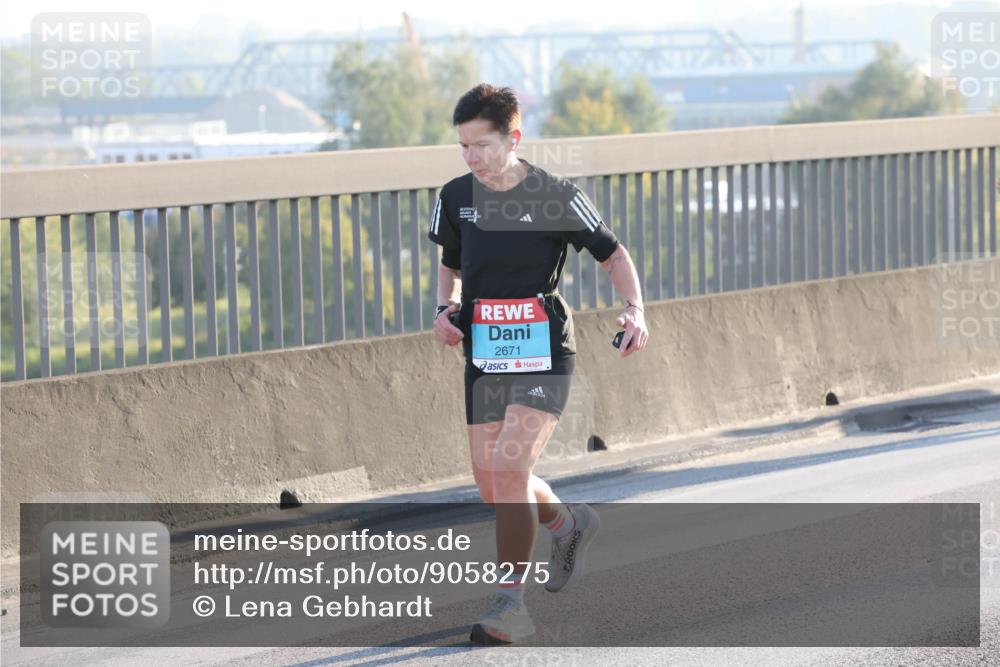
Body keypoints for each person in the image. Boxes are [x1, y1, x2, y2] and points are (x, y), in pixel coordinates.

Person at [428, 83, 649, 645]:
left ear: (514, 138)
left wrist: (635, 311)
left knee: (509, 469)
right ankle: (569, 523)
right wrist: (442, 310)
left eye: (481, 145)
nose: (471, 157)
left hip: (544, 350)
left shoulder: (556, 196)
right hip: (484, 351)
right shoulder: (455, 197)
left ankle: (510, 605)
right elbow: (449, 264)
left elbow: (613, 254)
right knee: (494, 483)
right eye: (463, 146)